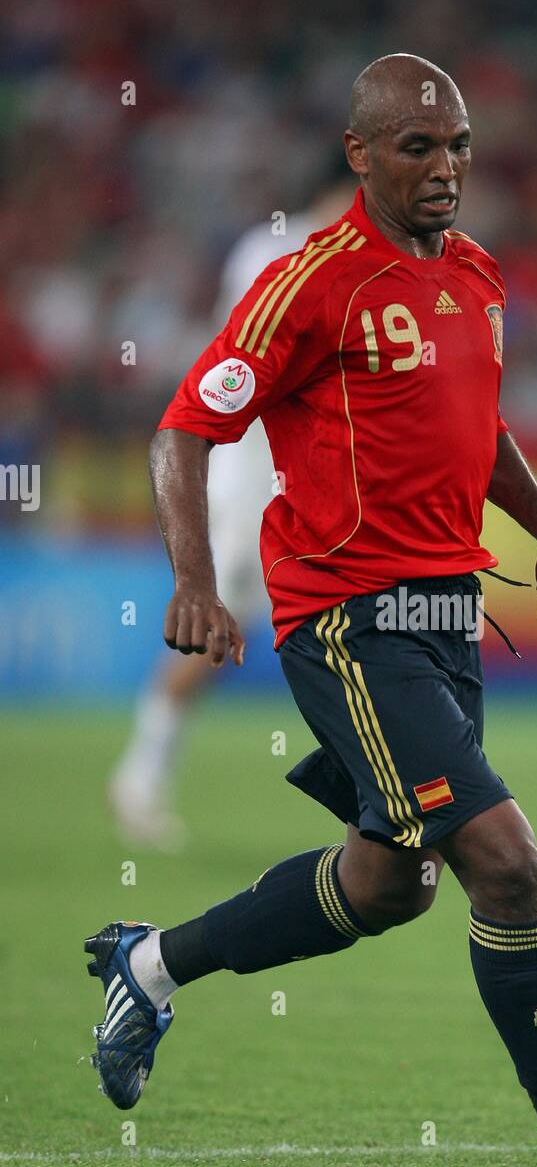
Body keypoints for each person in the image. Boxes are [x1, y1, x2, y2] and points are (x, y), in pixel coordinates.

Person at [84, 54, 537, 1167]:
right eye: (417, 147)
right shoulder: (309, 282)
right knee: (505, 866)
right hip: (345, 619)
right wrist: (193, 578)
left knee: (388, 885)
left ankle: (151, 964)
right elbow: (183, 429)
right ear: (359, 155)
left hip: (448, 617)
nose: (445, 168)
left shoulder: (474, 275)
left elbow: (479, 417)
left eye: (459, 145)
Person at [108, 180, 354, 848]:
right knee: (223, 627)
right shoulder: (272, 249)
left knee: (357, 614)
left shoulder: (365, 257)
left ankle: (386, 787)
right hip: (252, 471)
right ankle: (142, 768)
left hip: (318, 473)